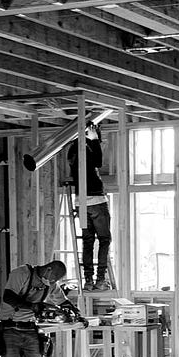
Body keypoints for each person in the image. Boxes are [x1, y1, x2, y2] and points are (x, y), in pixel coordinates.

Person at [64, 124, 112, 291]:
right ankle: (100, 280)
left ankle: (88, 281)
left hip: (81, 202)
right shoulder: (87, 149)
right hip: (96, 201)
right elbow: (98, 161)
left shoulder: (73, 149)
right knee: (104, 240)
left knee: (88, 241)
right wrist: (94, 140)